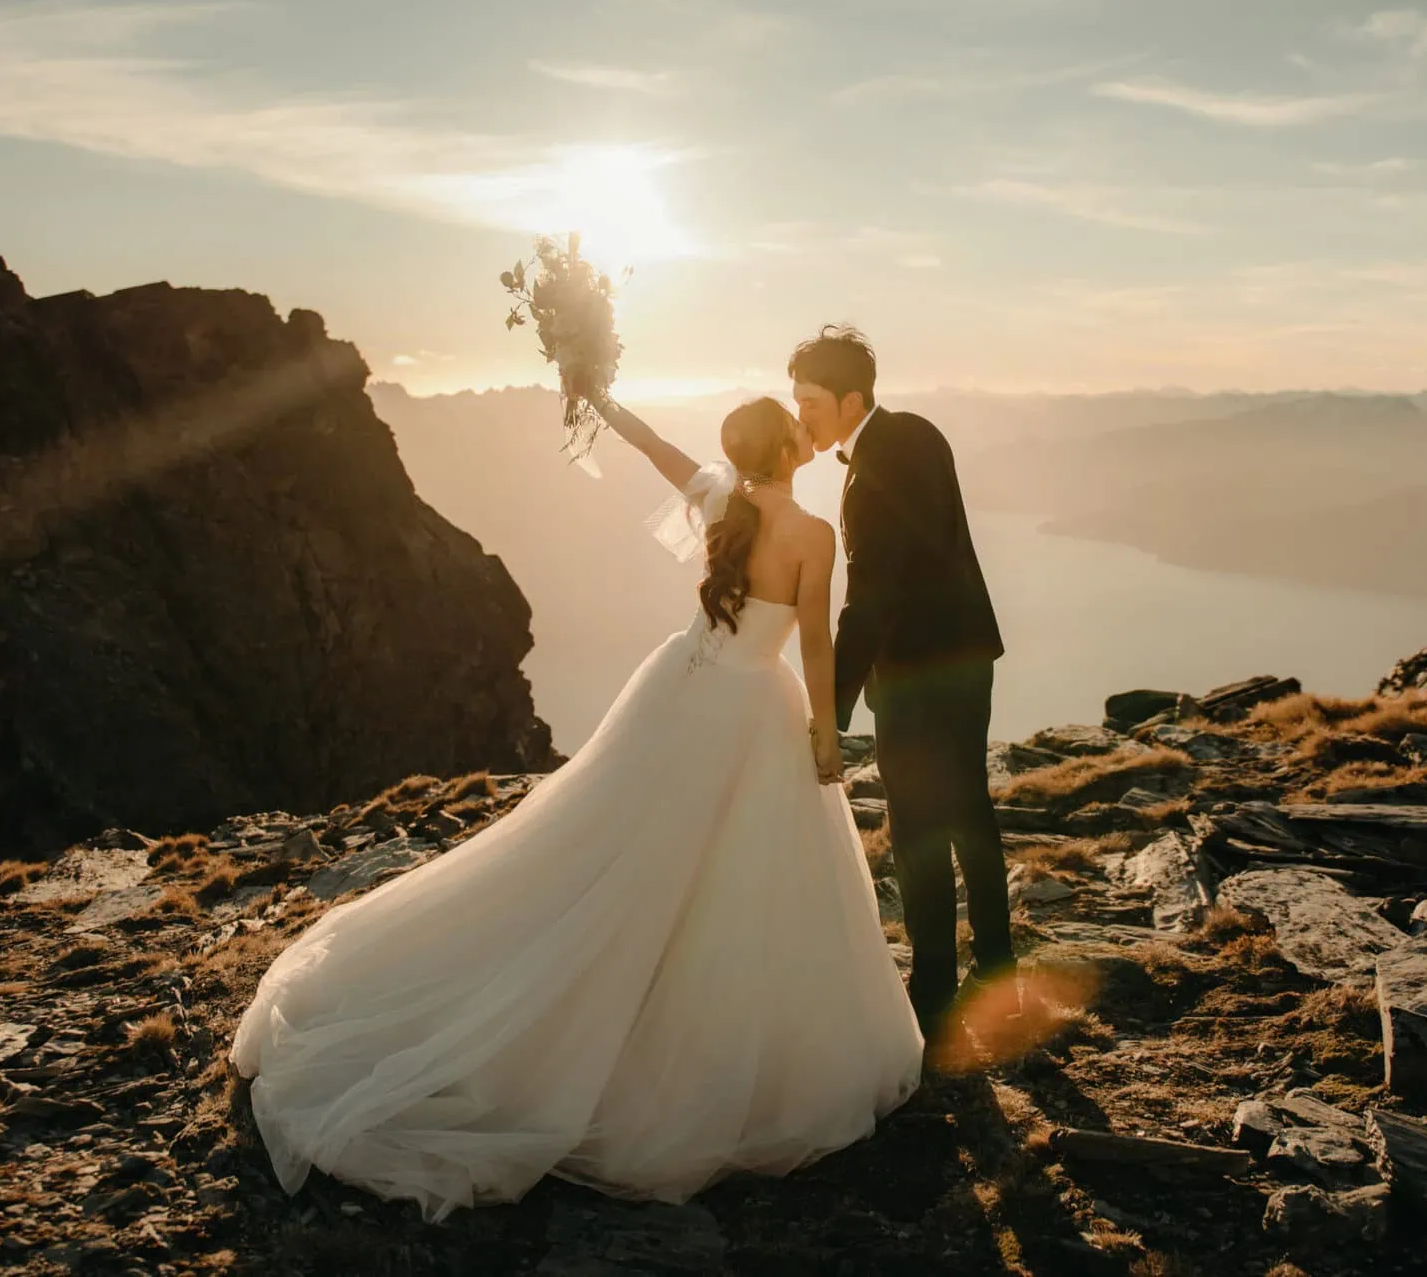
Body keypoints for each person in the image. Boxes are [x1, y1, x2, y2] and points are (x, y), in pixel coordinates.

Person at [230, 392, 922, 1221]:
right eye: (796, 426)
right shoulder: (810, 535)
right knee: (742, 869)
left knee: (630, 846)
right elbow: (813, 641)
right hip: (752, 709)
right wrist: (824, 732)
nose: (809, 433)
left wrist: (595, 391)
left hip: (681, 690)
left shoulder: (721, 502)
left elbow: (652, 445)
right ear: (782, 450)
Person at [789, 326, 1014, 1044]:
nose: (802, 415)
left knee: (917, 826)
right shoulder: (920, 433)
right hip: (967, 655)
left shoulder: (871, 475)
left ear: (851, 401)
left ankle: (935, 989)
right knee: (969, 808)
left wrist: (829, 705)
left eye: (811, 401)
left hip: (916, 676)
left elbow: (869, 602)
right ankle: (998, 972)